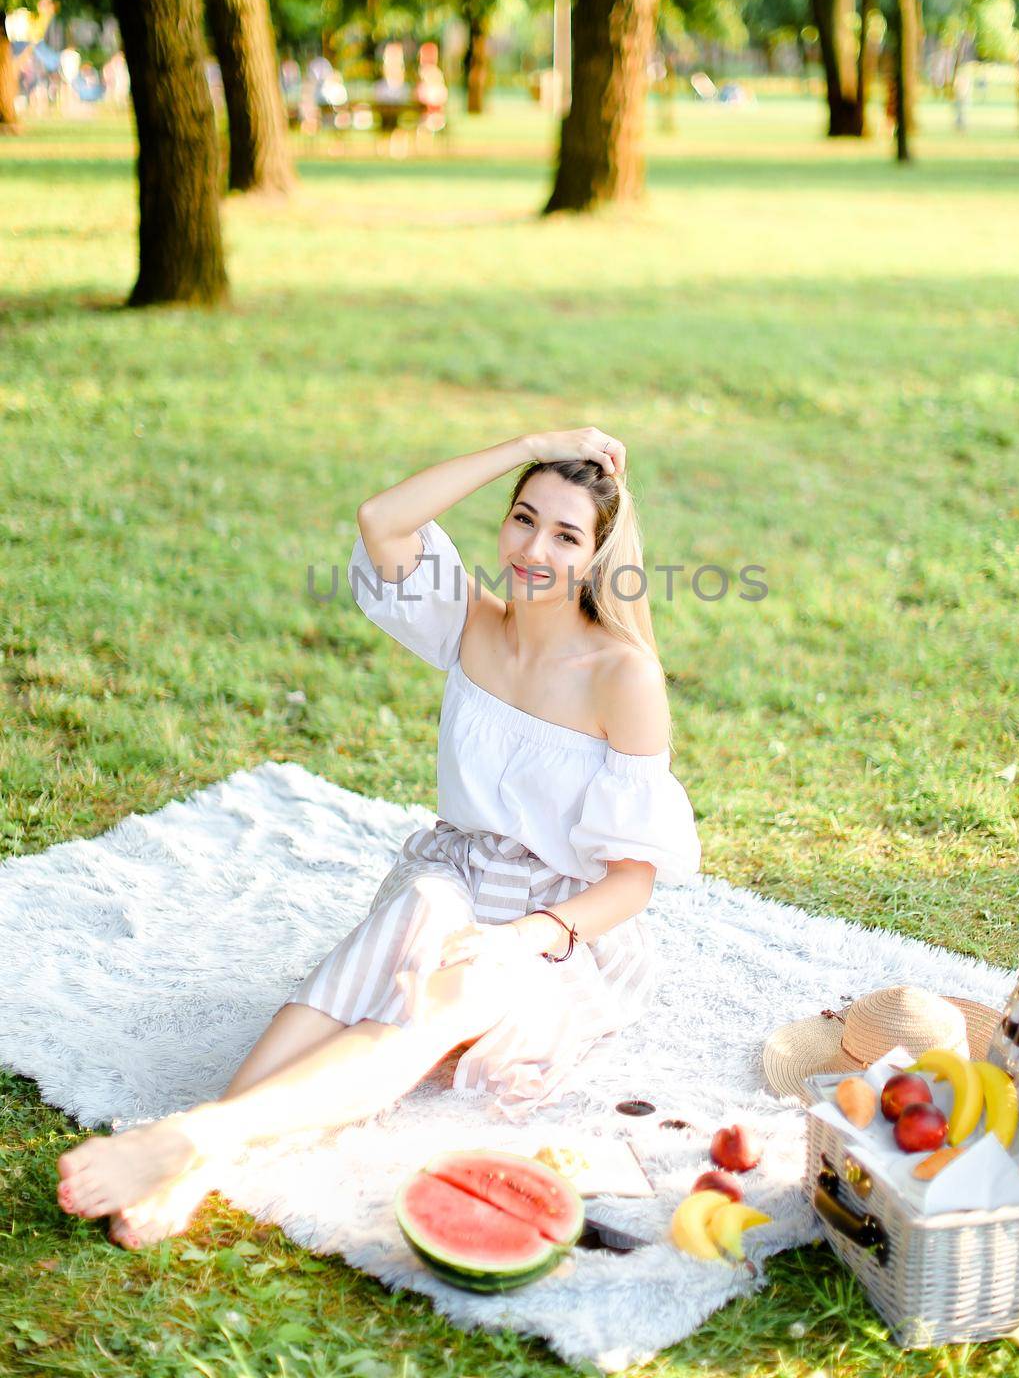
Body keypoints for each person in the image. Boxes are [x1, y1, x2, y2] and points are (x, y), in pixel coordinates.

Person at [55, 428, 702, 1249]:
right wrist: (532, 444)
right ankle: (202, 1150)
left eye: (567, 534)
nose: (534, 548)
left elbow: (630, 884)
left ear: (600, 555)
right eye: (522, 517)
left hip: (557, 922)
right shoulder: (472, 620)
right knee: (409, 918)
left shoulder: (622, 674)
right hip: (460, 870)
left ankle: (195, 1144)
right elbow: (382, 518)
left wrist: (516, 942)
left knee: (437, 1002)